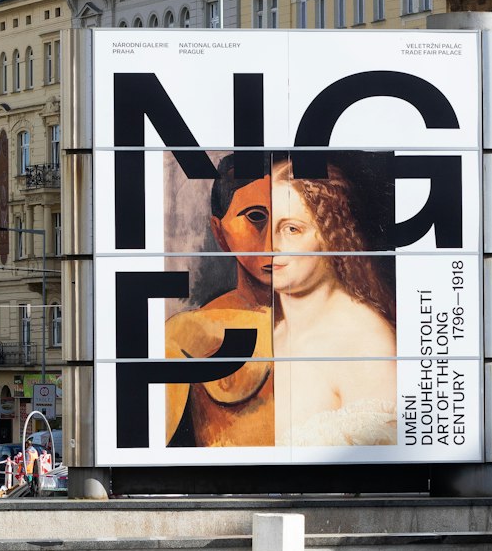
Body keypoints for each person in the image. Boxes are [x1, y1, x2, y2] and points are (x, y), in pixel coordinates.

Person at [270, 157, 397, 447]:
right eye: (266, 227)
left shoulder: (365, 342)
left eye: (292, 229)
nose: (271, 246)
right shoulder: (272, 333)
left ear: (330, 234)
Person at [164, 154, 274, 447]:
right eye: (256, 217)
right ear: (219, 231)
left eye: (293, 221)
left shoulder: (351, 322)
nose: (275, 242)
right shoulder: (187, 335)